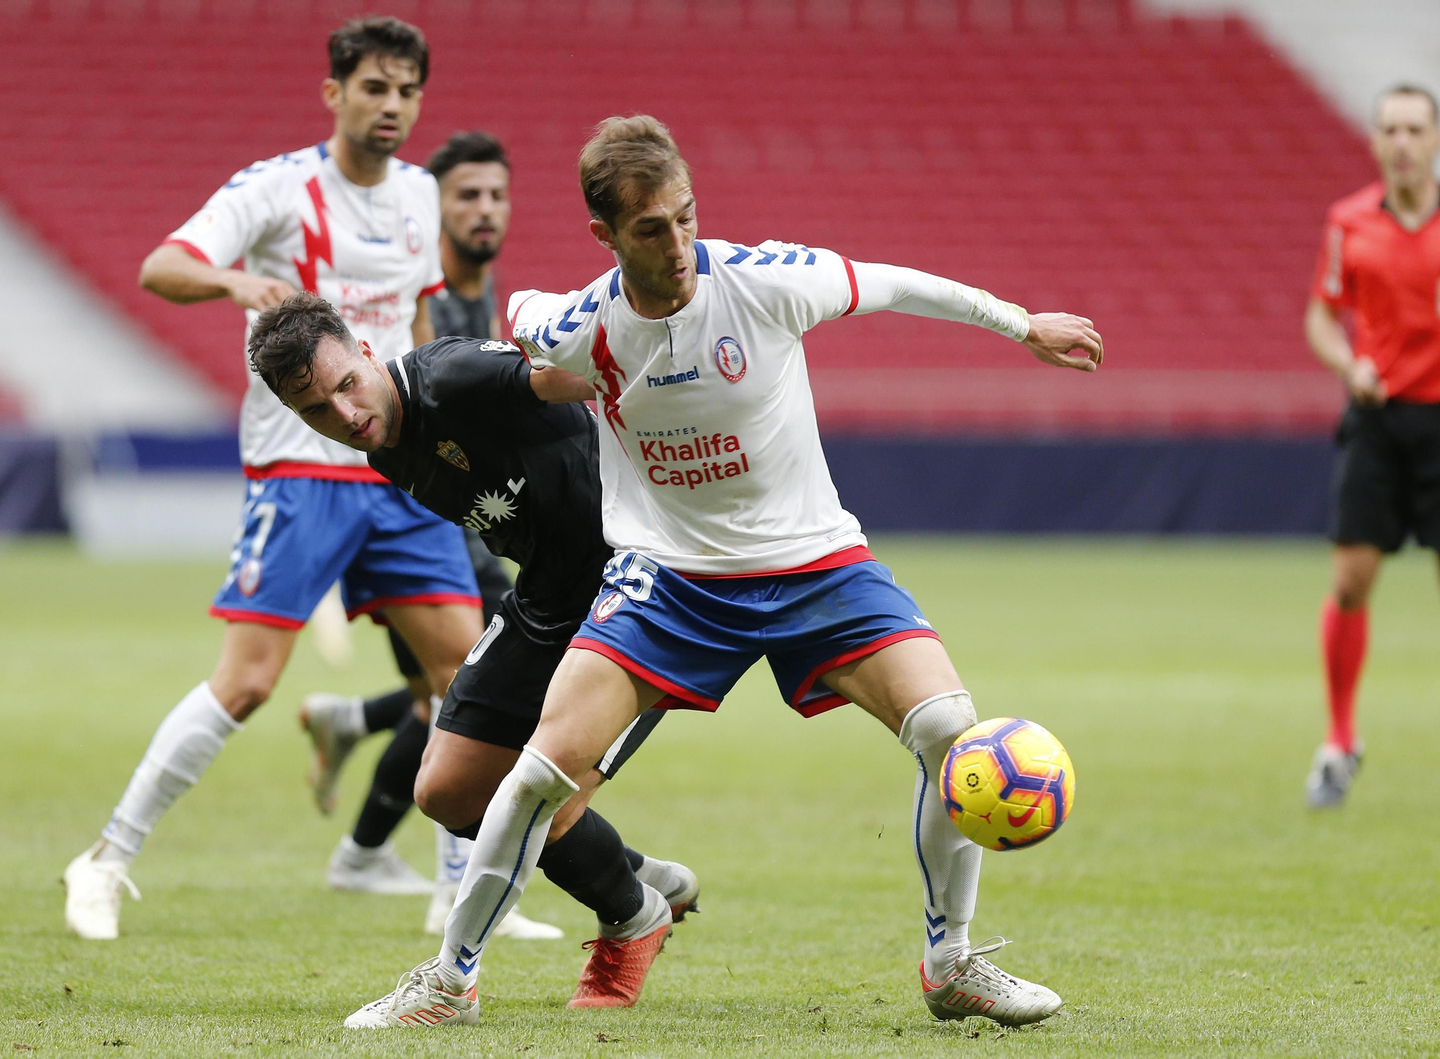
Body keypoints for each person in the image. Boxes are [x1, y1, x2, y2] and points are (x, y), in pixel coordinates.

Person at [346, 115, 1104, 1030]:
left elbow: (899, 283)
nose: (679, 245)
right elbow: (527, 314)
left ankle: (953, 962)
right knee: (541, 769)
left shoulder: (768, 281)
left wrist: (1021, 324)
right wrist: (513, 324)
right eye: (651, 230)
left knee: (948, 724)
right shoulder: (585, 327)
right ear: (608, 237)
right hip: (670, 580)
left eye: (686, 217)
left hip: (816, 562)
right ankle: (448, 982)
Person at [61, 16, 486, 941]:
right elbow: (160, 266)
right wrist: (236, 287)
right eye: (374, 88)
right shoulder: (278, 189)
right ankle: (106, 858)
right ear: (335, 93)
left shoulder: (423, 196)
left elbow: (417, 317)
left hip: (398, 472)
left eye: (407, 91)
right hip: (300, 473)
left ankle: (461, 893)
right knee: (248, 682)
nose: (392, 106)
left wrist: (440, 437)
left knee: (465, 673)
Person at [248, 292, 701, 1009]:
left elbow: (566, 377)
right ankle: (634, 877)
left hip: (638, 584)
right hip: (549, 596)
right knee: (448, 791)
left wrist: (676, 353)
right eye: (316, 412)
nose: (345, 415)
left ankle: (628, 918)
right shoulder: (383, 447)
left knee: (544, 805)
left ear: (368, 352)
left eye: (345, 385)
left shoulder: (451, 375)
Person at [297, 129, 556, 936]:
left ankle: (363, 830)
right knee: (467, 704)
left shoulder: (483, 292)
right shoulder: (427, 305)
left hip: (480, 534)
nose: (484, 211)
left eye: (496, 195)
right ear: (430, 208)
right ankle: (461, 886)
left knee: (442, 702)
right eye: (465, 196)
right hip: (435, 530)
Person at [1304, 83, 1440, 809]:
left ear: (1436, 138)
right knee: (1352, 581)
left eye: (1415, 129)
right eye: (1390, 129)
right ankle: (1339, 738)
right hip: (1380, 420)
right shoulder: (1348, 222)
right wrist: (1346, 362)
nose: (1403, 143)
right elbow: (1322, 318)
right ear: (1375, 141)